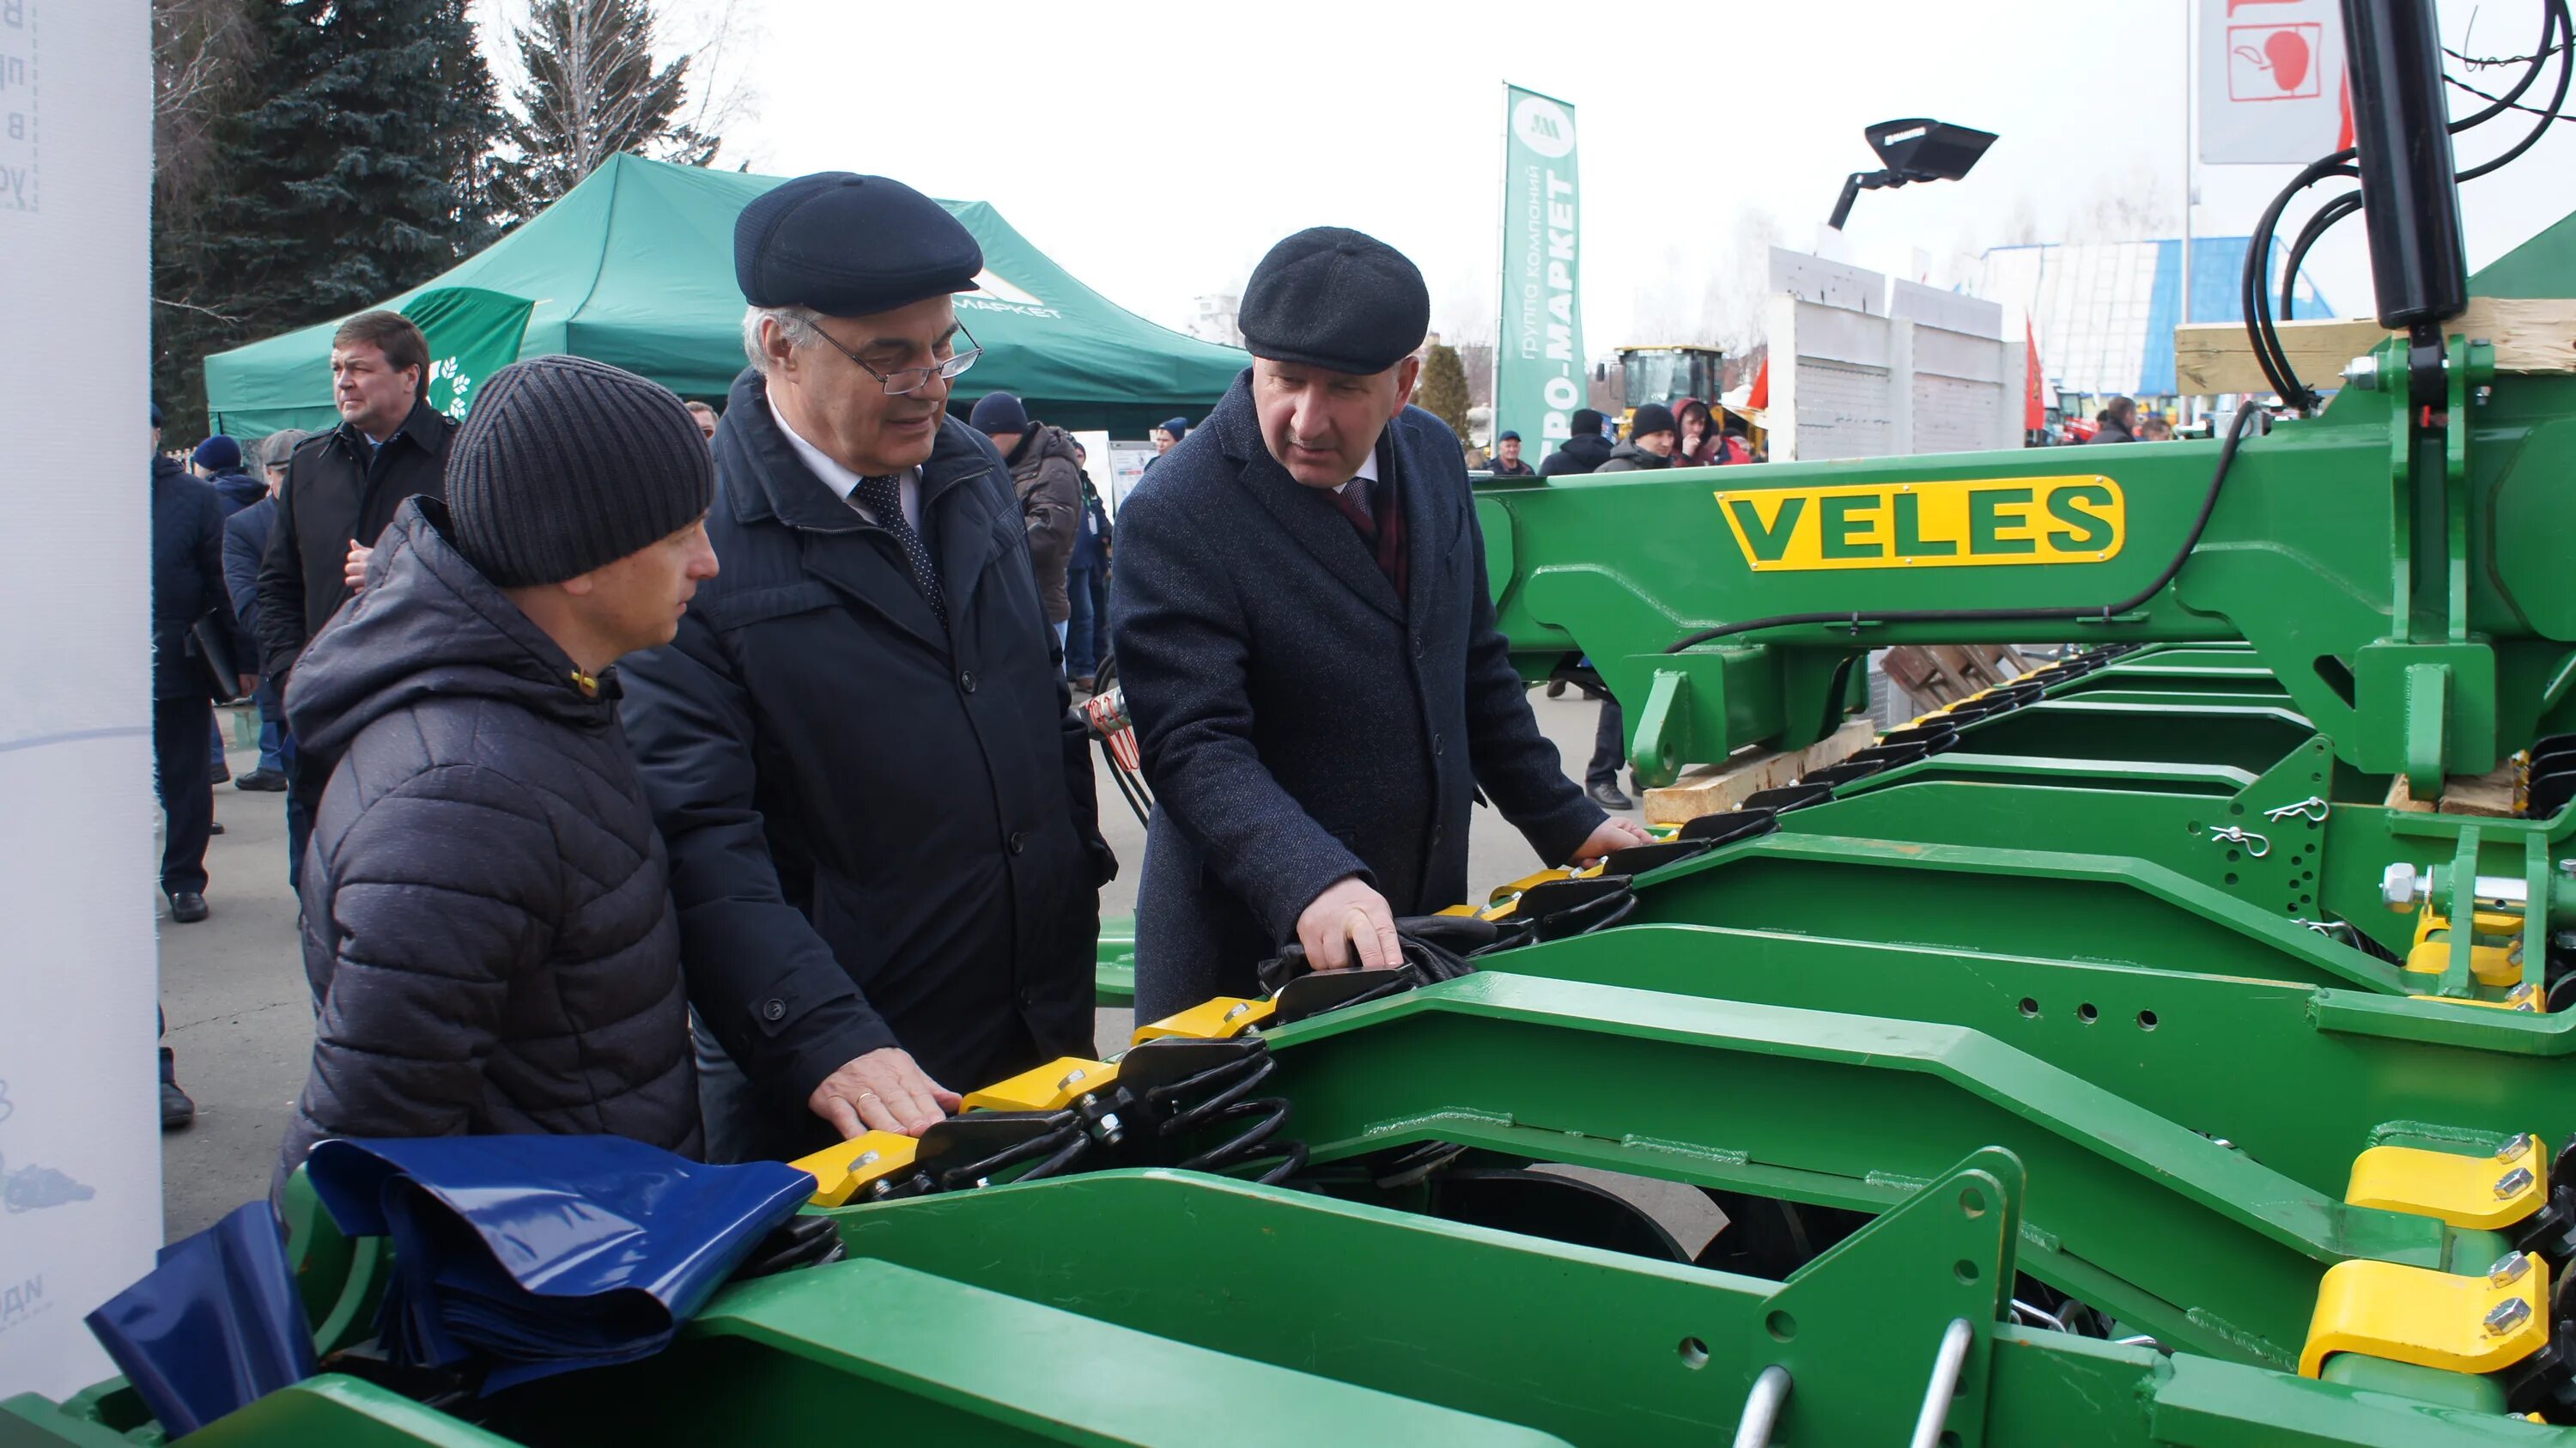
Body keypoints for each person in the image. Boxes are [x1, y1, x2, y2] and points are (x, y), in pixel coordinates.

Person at [621, 172, 1111, 1162]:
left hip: (1035, 1020)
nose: (931, 383)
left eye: (942, 348)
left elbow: (1022, 701)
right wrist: (819, 1036)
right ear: (779, 347)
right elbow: (697, 835)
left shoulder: (971, 473)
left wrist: (1069, 871)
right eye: (891, 358)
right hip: (848, 1071)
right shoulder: (695, 542)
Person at [1112, 227, 1651, 1021]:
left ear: (1403, 384)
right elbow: (1194, 745)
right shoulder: (1179, 508)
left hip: (1417, 920)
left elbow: (1471, 665)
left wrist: (1568, 821)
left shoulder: (1431, 457)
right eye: (1285, 380)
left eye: (1344, 390)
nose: (1306, 419)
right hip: (1248, 961)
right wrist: (1311, 878)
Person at [275, 356, 717, 1190]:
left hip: (591, 1258)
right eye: (679, 534)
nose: (708, 562)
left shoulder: (546, 704)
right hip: (534, 1293)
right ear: (577, 557)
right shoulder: (461, 797)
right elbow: (360, 1164)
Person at [254, 310, 457, 862]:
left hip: (426, 709)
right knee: (320, 874)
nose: (343, 381)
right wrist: (290, 675)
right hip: (323, 711)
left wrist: (404, 564)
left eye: (360, 369)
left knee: (413, 868)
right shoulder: (310, 463)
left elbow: (499, 577)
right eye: (337, 368)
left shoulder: (462, 458)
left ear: (411, 376)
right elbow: (276, 584)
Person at [149, 404, 253, 925]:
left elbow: (223, 582)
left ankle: (184, 879)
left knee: (184, 777)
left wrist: (242, 659)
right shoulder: (78, 494)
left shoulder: (193, 497)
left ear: (156, 433)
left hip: (174, 659)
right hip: (98, 674)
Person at [1579, 403, 1679, 807]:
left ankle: (1642, 772)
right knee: (1623, 691)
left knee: (1651, 688)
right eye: (1660, 434)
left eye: (1671, 435)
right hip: (1622, 600)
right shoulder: (1615, 474)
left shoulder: (1667, 473)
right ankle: (1601, 775)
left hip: (1658, 597)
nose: (1668, 440)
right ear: (1638, 436)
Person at [222, 431, 303, 797]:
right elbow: (251, 610)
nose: (295, 480)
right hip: (287, 674)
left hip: (346, 672)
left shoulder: (342, 512)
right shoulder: (244, 527)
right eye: (285, 472)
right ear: (268, 475)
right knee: (303, 799)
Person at [969, 391, 1080, 656]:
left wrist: (979, 540)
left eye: (989, 437)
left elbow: (1050, 531)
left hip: (1040, 604)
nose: (983, 444)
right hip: (1012, 602)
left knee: (1043, 692)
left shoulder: (1054, 467)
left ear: (1014, 432)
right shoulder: (1009, 465)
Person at [1065, 443, 1114, 692]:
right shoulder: (1063, 481)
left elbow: (1100, 516)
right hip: (1074, 562)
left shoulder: (1088, 485)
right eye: (1073, 453)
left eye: (1081, 453)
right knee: (1083, 616)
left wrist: (1110, 535)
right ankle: (1084, 670)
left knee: (1098, 616)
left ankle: (1096, 665)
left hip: (1094, 561)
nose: (1077, 457)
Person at [1595, 403, 1677, 473]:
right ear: (1638, 437)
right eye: (1658, 435)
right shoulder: (1610, 473)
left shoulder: (1677, 475)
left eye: (1670, 435)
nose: (1666, 443)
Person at [1538, 409, 1615, 477]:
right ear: (1600, 430)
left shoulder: (1554, 462)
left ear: (1573, 429)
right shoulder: (1616, 461)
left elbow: (1538, 491)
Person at [1671, 399, 1722, 467]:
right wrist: (1685, 457)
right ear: (1679, 424)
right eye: (1691, 423)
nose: (1697, 430)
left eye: (1701, 424)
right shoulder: (1665, 451)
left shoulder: (1706, 454)